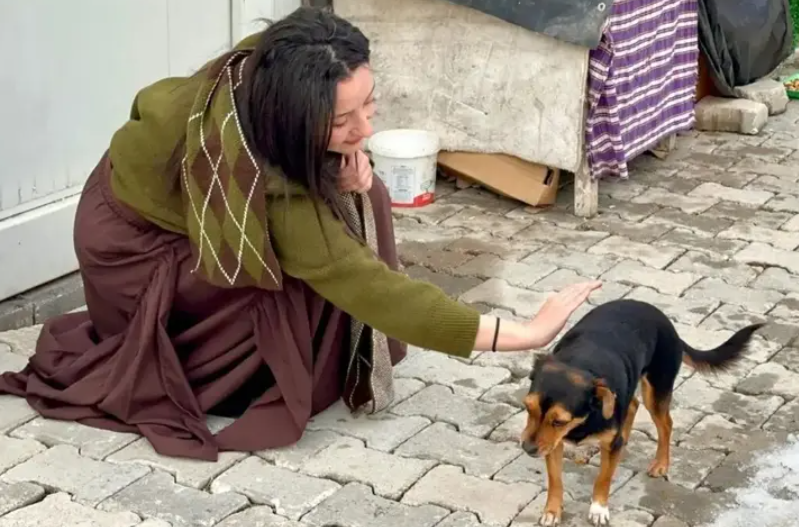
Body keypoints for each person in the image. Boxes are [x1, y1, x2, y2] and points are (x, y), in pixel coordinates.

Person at [0, 7, 601, 461]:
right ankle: (231, 373)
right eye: (343, 120)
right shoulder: (267, 185)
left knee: (370, 195)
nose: (366, 126)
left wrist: (342, 161)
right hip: (129, 246)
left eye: (370, 103)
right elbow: (373, 289)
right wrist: (521, 333)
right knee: (297, 275)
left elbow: (144, 105)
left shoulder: (271, 61)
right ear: (293, 119)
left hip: (182, 199)